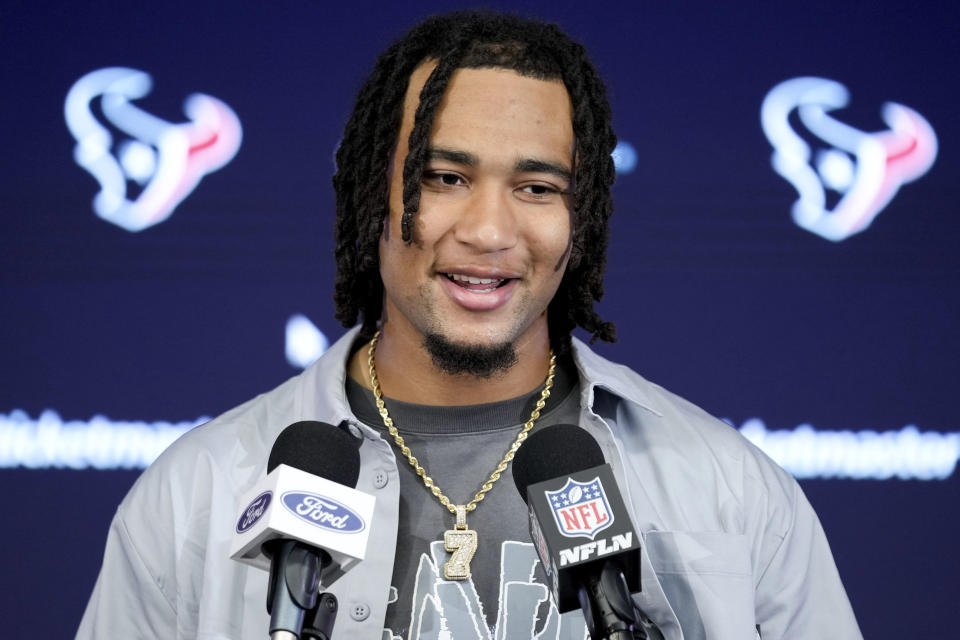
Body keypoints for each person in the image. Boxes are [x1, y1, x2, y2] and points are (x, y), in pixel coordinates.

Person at [77, 11, 862, 640]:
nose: (490, 231)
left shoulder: (732, 490)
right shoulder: (196, 495)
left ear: (579, 218)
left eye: (537, 186)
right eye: (445, 177)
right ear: (365, 193)